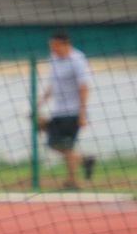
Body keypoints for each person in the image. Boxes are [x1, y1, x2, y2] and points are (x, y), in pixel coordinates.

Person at [39, 30, 95, 189]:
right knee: (55, 144)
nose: (53, 49)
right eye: (51, 46)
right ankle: (84, 160)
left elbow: (84, 87)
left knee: (66, 146)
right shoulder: (53, 60)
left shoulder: (78, 60)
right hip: (58, 110)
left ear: (65, 44)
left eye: (55, 46)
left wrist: (82, 113)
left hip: (73, 111)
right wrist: (41, 103)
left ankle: (72, 181)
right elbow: (52, 84)